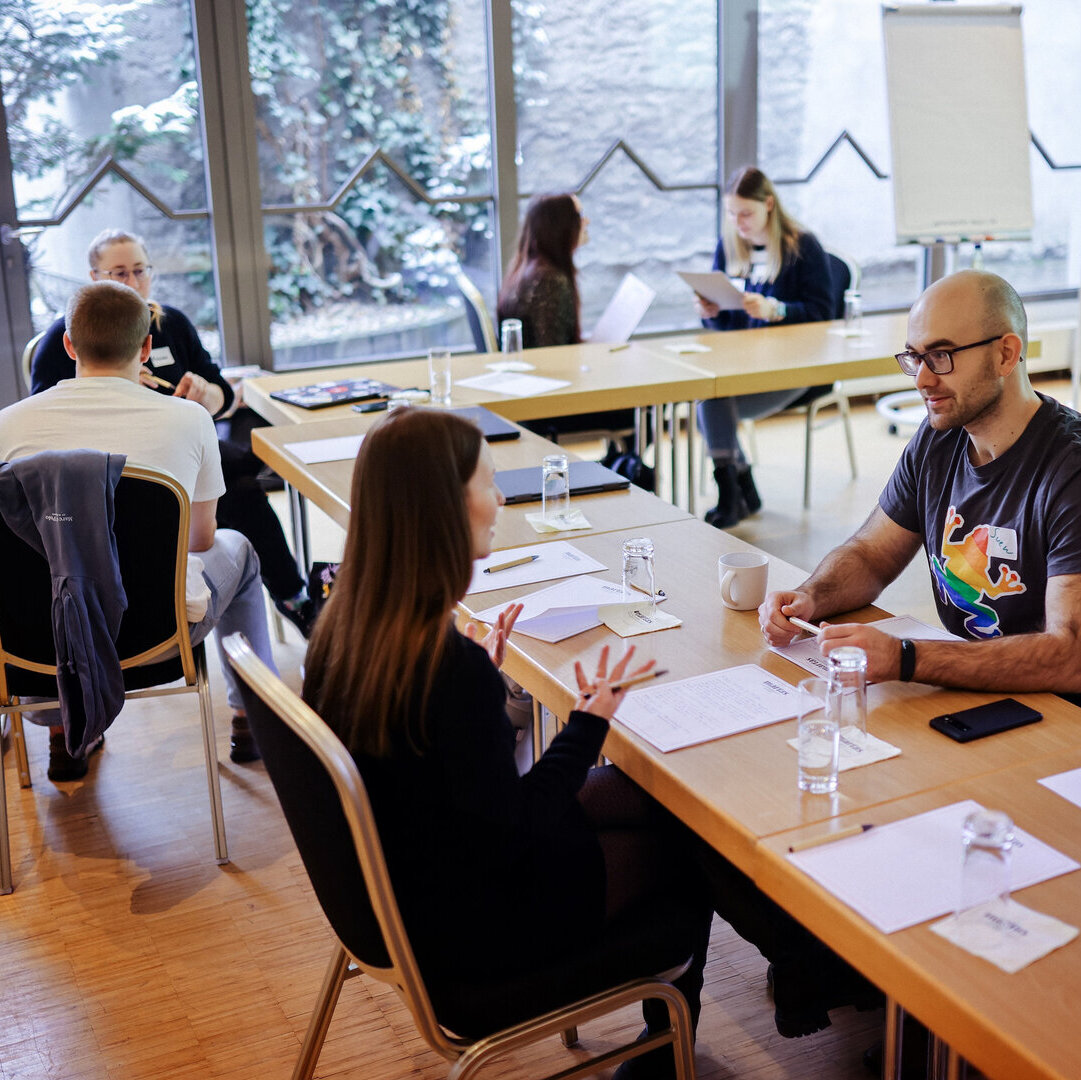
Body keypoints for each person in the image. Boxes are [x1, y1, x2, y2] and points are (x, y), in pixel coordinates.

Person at [300, 407, 873, 1078]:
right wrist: (588, 720)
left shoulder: (349, 629)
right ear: (448, 508)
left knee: (654, 799)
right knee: (683, 849)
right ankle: (682, 1049)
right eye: (488, 482)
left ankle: (808, 965)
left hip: (416, 890)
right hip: (475, 929)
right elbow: (513, 825)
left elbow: (452, 780)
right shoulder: (441, 667)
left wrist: (491, 695)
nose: (500, 498)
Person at [0, 280, 280, 776]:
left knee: (36, 572)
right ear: (147, 346)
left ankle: (65, 730)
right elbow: (200, 541)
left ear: (68, 345)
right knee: (241, 550)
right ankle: (251, 718)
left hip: (40, 639)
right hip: (159, 631)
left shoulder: (7, 427)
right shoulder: (188, 419)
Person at [760, 269, 1081, 697]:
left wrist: (905, 657)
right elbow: (872, 554)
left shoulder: (1070, 470)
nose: (922, 380)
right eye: (915, 357)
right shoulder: (939, 436)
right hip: (981, 689)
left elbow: (1070, 657)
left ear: (1006, 355)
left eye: (942, 356)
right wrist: (811, 597)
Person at [30, 228, 315, 637]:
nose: (131, 283)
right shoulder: (66, 338)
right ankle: (283, 604)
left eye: (139, 271)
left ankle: (294, 598)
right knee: (235, 482)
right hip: (109, 484)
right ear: (94, 278)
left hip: (183, 459)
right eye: (119, 273)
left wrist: (206, 396)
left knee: (243, 488)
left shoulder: (171, 324)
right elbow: (50, 427)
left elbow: (221, 395)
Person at [696, 167, 835, 528]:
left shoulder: (801, 246)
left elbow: (824, 314)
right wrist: (711, 312)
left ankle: (734, 491)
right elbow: (727, 325)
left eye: (745, 213)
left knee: (711, 404)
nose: (737, 222)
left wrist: (778, 310)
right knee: (710, 399)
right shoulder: (729, 246)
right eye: (731, 213)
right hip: (743, 366)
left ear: (768, 205)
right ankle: (738, 488)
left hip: (792, 368)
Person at [497, 193, 636, 450]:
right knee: (642, 408)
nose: (587, 221)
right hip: (548, 406)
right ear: (561, 226)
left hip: (533, 395)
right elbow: (555, 357)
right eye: (580, 216)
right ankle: (622, 469)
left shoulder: (527, 270)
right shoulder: (550, 280)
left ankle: (616, 467)